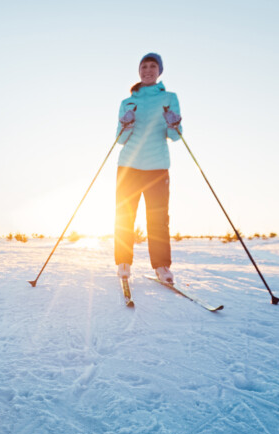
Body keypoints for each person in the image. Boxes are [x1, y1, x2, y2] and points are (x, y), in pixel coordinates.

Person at [114, 52, 182, 285]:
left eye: (153, 66)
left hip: (157, 166)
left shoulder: (169, 98)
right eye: (144, 66)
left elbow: (175, 136)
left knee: (158, 219)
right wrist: (126, 123)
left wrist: (174, 123)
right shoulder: (128, 101)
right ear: (139, 70)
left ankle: (162, 266)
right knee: (124, 216)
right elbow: (120, 139)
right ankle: (123, 262)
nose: (148, 70)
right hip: (129, 166)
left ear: (159, 71)